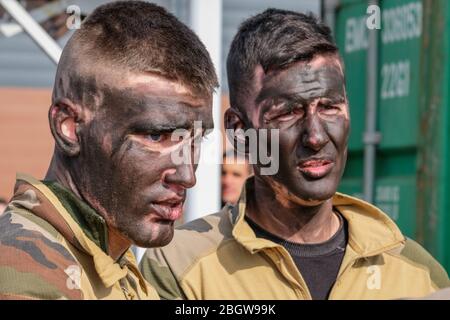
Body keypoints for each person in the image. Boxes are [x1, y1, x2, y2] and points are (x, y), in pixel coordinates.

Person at [140, 9, 449, 300]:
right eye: (287, 113)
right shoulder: (182, 267)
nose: (315, 136)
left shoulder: (417, 273)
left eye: (329, 107)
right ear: (238, 131)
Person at [0, 1, 217, 300]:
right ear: (70, 127)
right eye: (155, 136)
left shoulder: (107, 252)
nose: (187, 174)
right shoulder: (27, 275)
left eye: (196, 139)